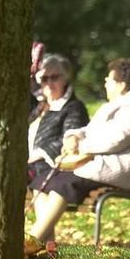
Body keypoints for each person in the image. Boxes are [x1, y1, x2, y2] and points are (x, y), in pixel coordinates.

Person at [27, 56, 130, 248]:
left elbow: (115, 140)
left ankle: (31, 242)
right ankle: (46, 246)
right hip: (97, 164)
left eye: (109, 80)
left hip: (116, 168)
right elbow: (88, 129)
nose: (105, 83)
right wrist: (73, 136)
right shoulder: (113, 105)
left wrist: (81, 146)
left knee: (64, 184)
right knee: (41, 183)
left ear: (121, 84)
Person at [24, 52, 89, 189]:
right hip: (28, 165)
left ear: (65, 79)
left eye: (54, 78)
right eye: (44, 79)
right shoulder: (39, 106)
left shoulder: (74, 108)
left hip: (47, 168)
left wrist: (38, 154)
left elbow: (69, 140)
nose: (48, 83)